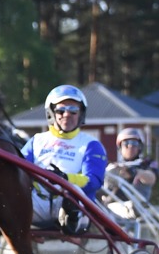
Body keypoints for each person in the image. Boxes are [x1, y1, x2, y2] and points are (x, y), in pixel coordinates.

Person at [21, 84, 106, 235]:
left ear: (81, 114)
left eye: (73, 110)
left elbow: (93, 182)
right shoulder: (36, 141)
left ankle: (71, 234)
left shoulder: (91, 145)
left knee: (71, 201)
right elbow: (18, 171)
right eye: (61, 110)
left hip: (74, 205)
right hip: (38, 204)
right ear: (51, 113)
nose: (67, 115)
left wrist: (65, 179)